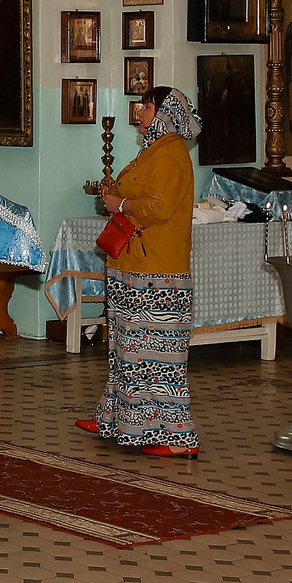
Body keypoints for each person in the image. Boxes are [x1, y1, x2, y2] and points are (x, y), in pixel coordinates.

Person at [81, 85, 201, 457]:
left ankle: (175, 436)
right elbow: (132, 192)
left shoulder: (172, 153)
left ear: (166, 114)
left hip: (158, 271)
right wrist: (111, 193)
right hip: (135, 265)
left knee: (156, 355)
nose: (140, 113)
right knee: (127, 348)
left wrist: (121, 202)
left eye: (147, 107)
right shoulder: (153, 150)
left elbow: (159, 207)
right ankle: (117, 418)